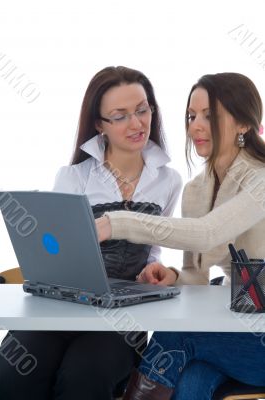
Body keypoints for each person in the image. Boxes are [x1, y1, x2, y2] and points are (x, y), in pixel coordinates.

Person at [0, 66, 182, 400]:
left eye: (142, 110)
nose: (137, 123)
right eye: (121, 115)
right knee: (13, 374)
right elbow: (51, 252)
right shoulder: (74, 177)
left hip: (122, 318)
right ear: (100, 124)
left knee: (83, 377)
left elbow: (154, 251)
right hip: (62, 307)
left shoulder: (168, 181)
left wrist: (155, 271)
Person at [96, 72, 265, 399]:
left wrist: (116, 222)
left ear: (244, 124)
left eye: (209, 116)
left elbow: (207, 233)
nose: (196, 126)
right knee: (191, 379)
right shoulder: (195, 191)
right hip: (234, 326)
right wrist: (173, 275)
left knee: (178, 334)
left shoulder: (261, 180)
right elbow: (198, 277)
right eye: (191, 116)